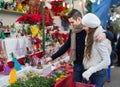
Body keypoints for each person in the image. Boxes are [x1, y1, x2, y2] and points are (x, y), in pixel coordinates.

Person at [45, 9, 113, 82]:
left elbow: (110, 35)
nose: (71, 25)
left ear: (79, 19)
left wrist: (105, 34)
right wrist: (52, 57)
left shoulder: (89, 28)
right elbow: (66, 46)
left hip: (89, 64)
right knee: (77, 83)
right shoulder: (73, 32)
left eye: (72, 22)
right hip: (77, 63)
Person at [82, 13, 111, 87]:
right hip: (94, 72)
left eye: (85, 26)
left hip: (98, 74)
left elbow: (107, 61)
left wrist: (91, 70)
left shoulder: (99, 39)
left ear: (91, 27)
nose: (83, 28)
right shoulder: (90, 36)